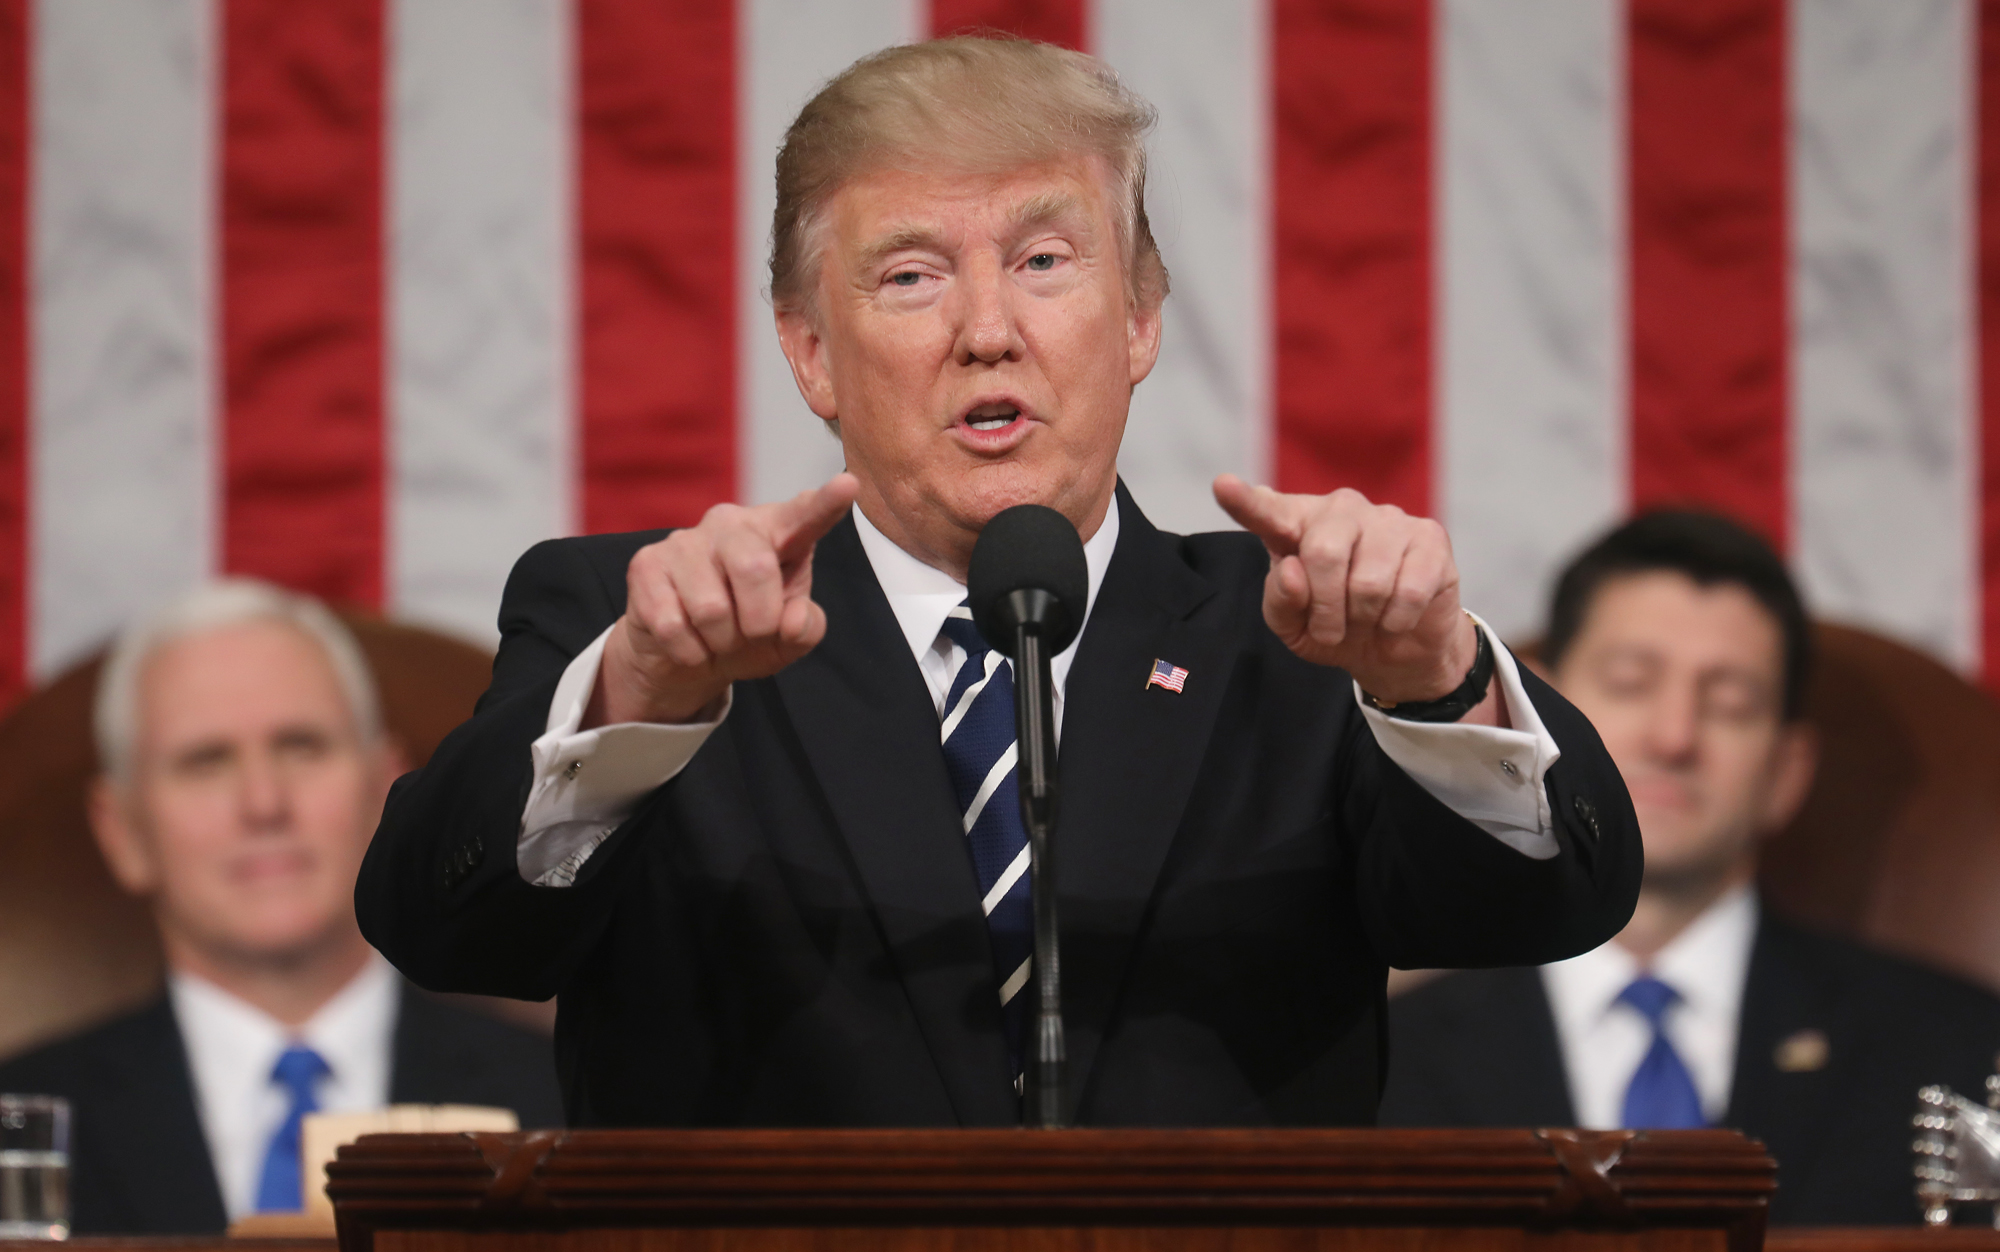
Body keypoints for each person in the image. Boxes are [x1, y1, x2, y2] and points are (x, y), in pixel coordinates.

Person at [357, 35, 1640, 1128]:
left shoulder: (1293, 637)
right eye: (911, 275)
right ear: (810, 353)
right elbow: (443, 927)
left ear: (1138, 318)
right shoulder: (640, 636)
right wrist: (643, 693)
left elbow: (1546, 906)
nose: (987, 329)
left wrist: (1434, 682)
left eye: (1043, 260)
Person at [1378, 511, 2000, 1224]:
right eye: (1631, 681)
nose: (1675, 736)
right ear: (1531, 722)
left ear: (1787, 773)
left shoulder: (1955, 1058)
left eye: (1730, 702)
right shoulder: (1382, 1068)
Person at [0, 581, 563, 1235]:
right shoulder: (15, 1131)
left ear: (389, 792)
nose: (264, 803)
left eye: (302, 746)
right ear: (122, 831)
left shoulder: (570, 1107)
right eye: (204, 761)